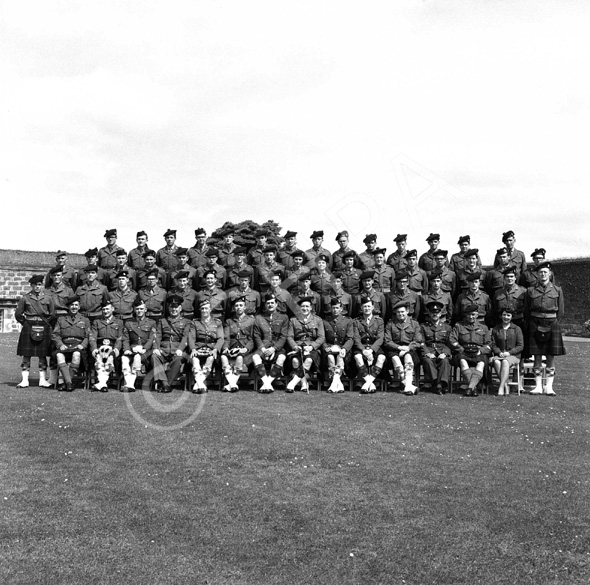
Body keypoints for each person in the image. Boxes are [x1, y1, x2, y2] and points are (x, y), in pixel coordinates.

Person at [524, 261, 565, 396]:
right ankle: (537, 386)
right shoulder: (531, 290)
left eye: (545, 272)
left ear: (550, 274)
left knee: (550, 356)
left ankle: (549, 387)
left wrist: (553, 323)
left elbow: (561, 312)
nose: (543, 274)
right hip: (535, 323)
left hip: (552, 323)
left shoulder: (557, 290)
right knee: (536, 356)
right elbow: (526, 310)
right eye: (540, 272)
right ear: (537, 274)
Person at [15, 275, 56, 388]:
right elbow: (18, 314)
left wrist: (45, 323)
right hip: (29, 326)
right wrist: (26, 323)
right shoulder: (25, 298)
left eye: (39, 285)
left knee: (42, 355)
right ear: (31, 285)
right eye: (35, 285)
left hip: (44, 326)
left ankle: (42, 380)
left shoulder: (48, 298)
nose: (37, 287)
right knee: (26, 354)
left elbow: (52, 314)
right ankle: (24, 381)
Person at [450, 304, 492, 397]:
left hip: (478, 352)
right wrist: (461, 349)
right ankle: (474, 387)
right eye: (469, 314)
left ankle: (470, 388)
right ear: (465, 315)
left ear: (477, 314)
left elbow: (489, 343)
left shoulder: (483, 327)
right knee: (462, 361)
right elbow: (452, 340)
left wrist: (481, 350)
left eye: (473, 314)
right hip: (464, 352)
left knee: (481, 363)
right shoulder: (459, 325)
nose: (471, 317)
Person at [285, 297, 326, 392]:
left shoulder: (318, 320)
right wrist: (295, 346)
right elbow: (289, 337)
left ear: (311, 308)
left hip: (312, 348)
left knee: (308, 360)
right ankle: (304, 383)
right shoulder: (293, 320)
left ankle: (292, 384)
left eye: (307, 306)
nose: (305, 308)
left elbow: (321, 337)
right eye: (302, 306)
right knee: (295, 360)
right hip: (298, 347)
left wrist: (311, 347)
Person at [152, 295, 191, 393]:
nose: (174, 309)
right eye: (171, 307)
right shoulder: (162, 321)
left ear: (180, 308)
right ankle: (166, 384)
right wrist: (156, 348)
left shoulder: (186, 322)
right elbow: (158, 335)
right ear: (168, 308)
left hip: (177, 349)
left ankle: (165, 384)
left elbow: (185, 337)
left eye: (176, 307)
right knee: (154, 356)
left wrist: (180, 349)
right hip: (164, 349)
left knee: (178, 359)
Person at [383, 301, 423, 395]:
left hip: (410, 350)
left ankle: (407, 385)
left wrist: (408, 348)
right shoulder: (390, 324)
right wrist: (399, 347)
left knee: (408, 358)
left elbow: (418, 341)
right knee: (395, 359)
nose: (400, 314)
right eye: (398, 312)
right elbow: (387, 341)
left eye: (402, 312)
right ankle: (408, 385)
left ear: (407, 311)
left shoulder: (414, 324)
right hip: (394, 350)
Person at [252, 293, 289, 393]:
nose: (270, 305)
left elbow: (283, 336)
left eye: (272, 303)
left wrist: (274, 348)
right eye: (268, 303)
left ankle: (267, 383)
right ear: (265, 305)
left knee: (281, 358)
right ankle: (266, 383)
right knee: (255, 357)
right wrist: (262, 348)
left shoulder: (284, 317)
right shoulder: (259, 318)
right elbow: (256, 335)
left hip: (277, 347)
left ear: (276, 304)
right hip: (263, 347)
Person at [52, 294, 90, 391]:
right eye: (72, 305)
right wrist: (60, 344)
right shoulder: (61, 319)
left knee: (77, 354)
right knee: (59, 356)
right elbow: (55, 335)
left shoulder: (85, 320)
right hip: (65, 346)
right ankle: (69, 383)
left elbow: (88, 336)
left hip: (78, 346)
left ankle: (66, 383)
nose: (74, 307)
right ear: (68, 307)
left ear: (79, 307)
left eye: (76, 305)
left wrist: (83, 345)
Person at [187, 299, 224, 393]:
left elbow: (220, 338)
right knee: (195, 359)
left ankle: (198, 384)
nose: (204, 310)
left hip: (211, 348)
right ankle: (201, 385)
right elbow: (191, 337)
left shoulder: (217, 322)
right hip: (198, 348)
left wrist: (215, 349)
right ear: (200, 310)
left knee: (210, 359)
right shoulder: (195, 323)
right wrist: (193, 349)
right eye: (202, 308)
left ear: (210, 309)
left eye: (206, 308)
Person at [120, 298, 157, 392]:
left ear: (145, 310)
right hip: (132, 349)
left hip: (146, 351)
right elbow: (126, 338)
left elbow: (152, 338)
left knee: (137, 358)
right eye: (137, 309)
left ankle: (130, 384)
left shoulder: (151, 322)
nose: (139, 311)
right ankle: (128, 382)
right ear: (134, 310)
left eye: (141, 309)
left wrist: (145, 348)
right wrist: (126, 349)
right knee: (124, 359)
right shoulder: (129, 323)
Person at [221, 295, 256, 391]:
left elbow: (252, 338)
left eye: (241, 305)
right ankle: (233, 384)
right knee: (223, 357)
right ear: (233, 308)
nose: (239, 307)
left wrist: (246, 348)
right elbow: (226, 337)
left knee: (240, 357)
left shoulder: (251, 320)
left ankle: (231, 384)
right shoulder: (229, 321)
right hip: (232, 347)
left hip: (245, 348)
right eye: (236, 306)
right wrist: (225, 348)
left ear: (245, 307)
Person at [352, 296, 386, 393]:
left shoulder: (379, 321)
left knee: (381, 358)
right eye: (365, 306)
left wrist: (371, 350)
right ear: (361, 308)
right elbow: (356, 338)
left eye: (368, 306)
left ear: (372, 308)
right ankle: (370, 382)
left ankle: (367, 383)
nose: (367, 308)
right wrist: (363, 350)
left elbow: (380, 338)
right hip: (361, 347)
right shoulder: (356, 321)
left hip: (374, 347)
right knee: (358, 356)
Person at [89, 299, 124, 392]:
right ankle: (103, 384)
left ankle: (102, 383)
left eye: (107, 309)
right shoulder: (97, 322)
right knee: (99, 358)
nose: (105, 311)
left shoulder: (119, 322)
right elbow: (92, 337)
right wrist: (94, 349)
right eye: (103, 309)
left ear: (112, 309)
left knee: (110, 357)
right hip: (100, 347)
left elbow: (120, 338)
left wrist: (117, 349)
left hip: (113, 347)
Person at [420, 301, 452, 394]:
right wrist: (427, 353)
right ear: (429, 313)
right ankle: (437, 384)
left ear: (441, 314)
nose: (435, 314)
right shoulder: (423, 327)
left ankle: (440, 384)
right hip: (430, 350)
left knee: (445, 361)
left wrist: (444, 353)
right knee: (427, 361)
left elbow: (450, 343)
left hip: (442, 350)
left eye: (437, 312)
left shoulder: (447, 327)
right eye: (432, 312)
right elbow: (421, 342)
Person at [490, 305, 524, 396]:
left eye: (508, 315)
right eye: (504, 315)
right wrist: (499, 352)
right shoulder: (496, 329)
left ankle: (501, 387)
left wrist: (509, 353)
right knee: (496, 362)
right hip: (500, 354)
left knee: (505, 362)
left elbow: (520, 346)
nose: (506, 317)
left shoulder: (517, 329)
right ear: (501, 316)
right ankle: (505, 386)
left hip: (513, 356)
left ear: (512, 317)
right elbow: (493, 344)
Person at [322, 298, 354, 392]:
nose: (335, 310)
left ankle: (333, 384)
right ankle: (338, 384)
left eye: (337, 308)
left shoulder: (348, 321)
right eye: (333, 308)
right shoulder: (325, 321)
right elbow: (322, 338)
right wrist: (326, 347)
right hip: (329, 348)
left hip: (342, 348)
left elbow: (350, 338)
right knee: (330, 358)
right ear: (330, 309)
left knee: (340, 356)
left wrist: (344, 348)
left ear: (341, 309)